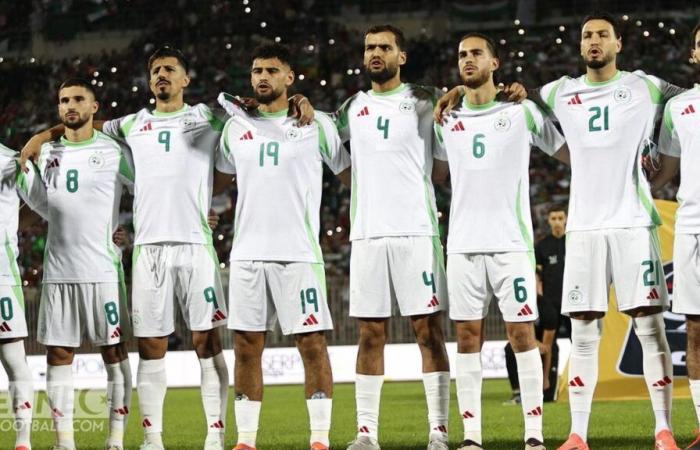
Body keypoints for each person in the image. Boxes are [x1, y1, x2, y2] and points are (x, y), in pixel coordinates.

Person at [436, 12, 685, 450]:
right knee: (584, 329)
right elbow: (512, 97)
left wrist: (658, 160)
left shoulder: (646, 85)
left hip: (633, 220)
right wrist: (461, 88)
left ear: (618, 44)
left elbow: (689, 103)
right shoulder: (559, 91)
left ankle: (662, 428)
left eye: (602, 35)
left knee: (649, 326)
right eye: (587, 35)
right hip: (583, 226)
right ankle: (577, 434)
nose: (593, 42)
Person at [22, 47, 231, 450]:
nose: (162, 75)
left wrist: (203, 205)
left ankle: (215, 437)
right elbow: (82, 125)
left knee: (208, 343)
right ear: (149, 80)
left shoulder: (207, 116)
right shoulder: (131, 126)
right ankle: (152, 438)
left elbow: (255, 112)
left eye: (170, 69)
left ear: (185, 79)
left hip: (194, 246)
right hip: (148, 249)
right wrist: (41, 135)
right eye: (155, 71)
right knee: (150, 346)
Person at [432, 32, 568, 450]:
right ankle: (472, 435)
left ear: (495, 63)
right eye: (461, 55)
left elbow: (567, 151)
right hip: (463, 247)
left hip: (512, 245)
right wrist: (450, 93)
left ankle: (533, 433)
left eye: (476, 54)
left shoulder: (521, 111)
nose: (467, 60)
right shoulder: (446, 118)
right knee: (468, 339)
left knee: (522, 336)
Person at [216, 42, 351, 450]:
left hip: (299, 254)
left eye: (271, 70)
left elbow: (350, 177)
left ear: (289, 78)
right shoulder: (233, 126)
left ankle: (320, 439)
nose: (262, 77)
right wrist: (207, 210)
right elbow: (217, 184)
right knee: (245, 349)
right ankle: (247, 441)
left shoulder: (316, 123)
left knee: (312, 345)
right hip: (246, 256)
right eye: (257, 70)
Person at [20, 78, 133, 450]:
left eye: (78, 99)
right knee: (58, 355)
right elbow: (40, 202)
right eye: (64, 100)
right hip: (59, 271)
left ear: (94, 107)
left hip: (102, 270)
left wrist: (129, 230)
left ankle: (115, 439)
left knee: (113, 353)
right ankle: (63, 441)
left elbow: (148, 192)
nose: (70, 105)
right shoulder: (48, 151)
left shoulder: (115, 151)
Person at [651, 22, 700, 450]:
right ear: (694, 54)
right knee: (696, 328)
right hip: (690, 226)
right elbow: (663, 174)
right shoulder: (679, 106)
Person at [0, 141, 46, 450]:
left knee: (14, 359)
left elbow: (43, 204)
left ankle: (23, 442)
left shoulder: (9, 159)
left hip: (1, 275)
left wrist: (14, 225)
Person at [505, 204, 568, 406]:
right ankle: (545, 389)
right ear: (548, 221)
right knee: (550, 346)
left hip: (573, 302)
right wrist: (538, 298)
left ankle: (581, 386)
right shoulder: (542, 246)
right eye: (553, 218)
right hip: (550, 304)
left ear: (566, 218)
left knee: (582, 343)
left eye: (560, 217)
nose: (557, 222)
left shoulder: (574, 242)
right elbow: (537, 276)